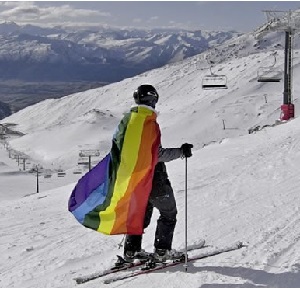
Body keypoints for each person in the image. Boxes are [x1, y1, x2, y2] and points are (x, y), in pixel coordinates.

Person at [123, 84, 193, 262]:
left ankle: (132, 251)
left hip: (135, 178)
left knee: (140, 212)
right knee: (169, 213)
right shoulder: (148, 123)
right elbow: (157, 155)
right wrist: (181, 152)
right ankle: (162, 251)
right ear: (153, 100)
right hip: (154, 177)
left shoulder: (129, 121)